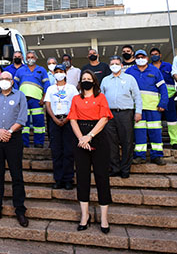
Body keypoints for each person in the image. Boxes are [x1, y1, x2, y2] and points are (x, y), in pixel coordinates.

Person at [0, 71, 29, 227]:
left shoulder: (20, 95)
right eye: (2, 79)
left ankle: (20, 210)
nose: (4, 81)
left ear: (12, 81)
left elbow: (22, 118)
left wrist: (8, 132)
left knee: (17, 175)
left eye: (7, 79)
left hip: (14, 139)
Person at [67, 70, 113, 234]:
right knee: (82, 177)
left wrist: (89, 136)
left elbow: (104, 118)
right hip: (80, 138)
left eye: (89, 79)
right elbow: (72, 119)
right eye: (83, 79)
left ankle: (104, 218)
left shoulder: (100, 98)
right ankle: (84, 216)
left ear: (94, 81)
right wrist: (81, 139)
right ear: (80, 82)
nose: (86, 81)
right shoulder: (75, 99)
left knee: (102, 177)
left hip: (98, 137)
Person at [100, 56, 142, 178]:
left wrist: (138, 112)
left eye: (117, 63)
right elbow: (102, 99)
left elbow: (137, 97)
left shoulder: (130, 79)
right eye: (112, 63)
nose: (114, 65)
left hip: (126, 113)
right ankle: (114, 168)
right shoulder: (105, 80)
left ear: (121, 65)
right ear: (109, 66)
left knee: (127, 141)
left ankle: (125, 169)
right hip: (109, 114)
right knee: (111, 143)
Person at [126, 50, 168, 165]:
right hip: (137, 109)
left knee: (155, 132)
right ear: (134, 58)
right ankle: (140, 156)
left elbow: (163, 88)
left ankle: (157, 156)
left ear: (147, 58)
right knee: (139, 132)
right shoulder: (129, 71)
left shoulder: (155, 71)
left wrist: (163, 103)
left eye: (142, 56)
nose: (140, 58)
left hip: (153, 108)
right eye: (138, 57)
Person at [44, 64, 79, 190]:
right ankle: (58, 179)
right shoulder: (51, 89)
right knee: (56, 151)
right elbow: (47, 105)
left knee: (69, 151)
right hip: (55, 120)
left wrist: (67, 118)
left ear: (65, 73)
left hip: (69, 121)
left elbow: (75, 104)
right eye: (56, 71)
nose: (59, 73)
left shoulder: (72, 88)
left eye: (61, 71)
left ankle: (68, 179)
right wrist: (54, 119)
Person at [13, 51, 50, 148]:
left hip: (37, 101)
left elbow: (46, 84)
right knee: (24, 123)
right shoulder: (20, 70)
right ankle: (24, 143)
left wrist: (44, 97)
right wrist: (17, 97)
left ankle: (39, 143)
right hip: (23, 100)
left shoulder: (41, 70)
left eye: (32, 57)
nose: (30, 59)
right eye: (28, 57)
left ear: (36, 58)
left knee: (39, 123)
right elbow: (15, 84)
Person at [150, 48, 177, 149]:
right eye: (152, 54)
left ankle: (175, 141)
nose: (154, 56)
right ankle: (156, 143)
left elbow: (176, 78)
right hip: (154, 99)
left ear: (160, 55)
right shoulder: (149, 68)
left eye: (156, 54)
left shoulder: (168, 66)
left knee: (172, 121)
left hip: (169, 98)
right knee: (155, 123)